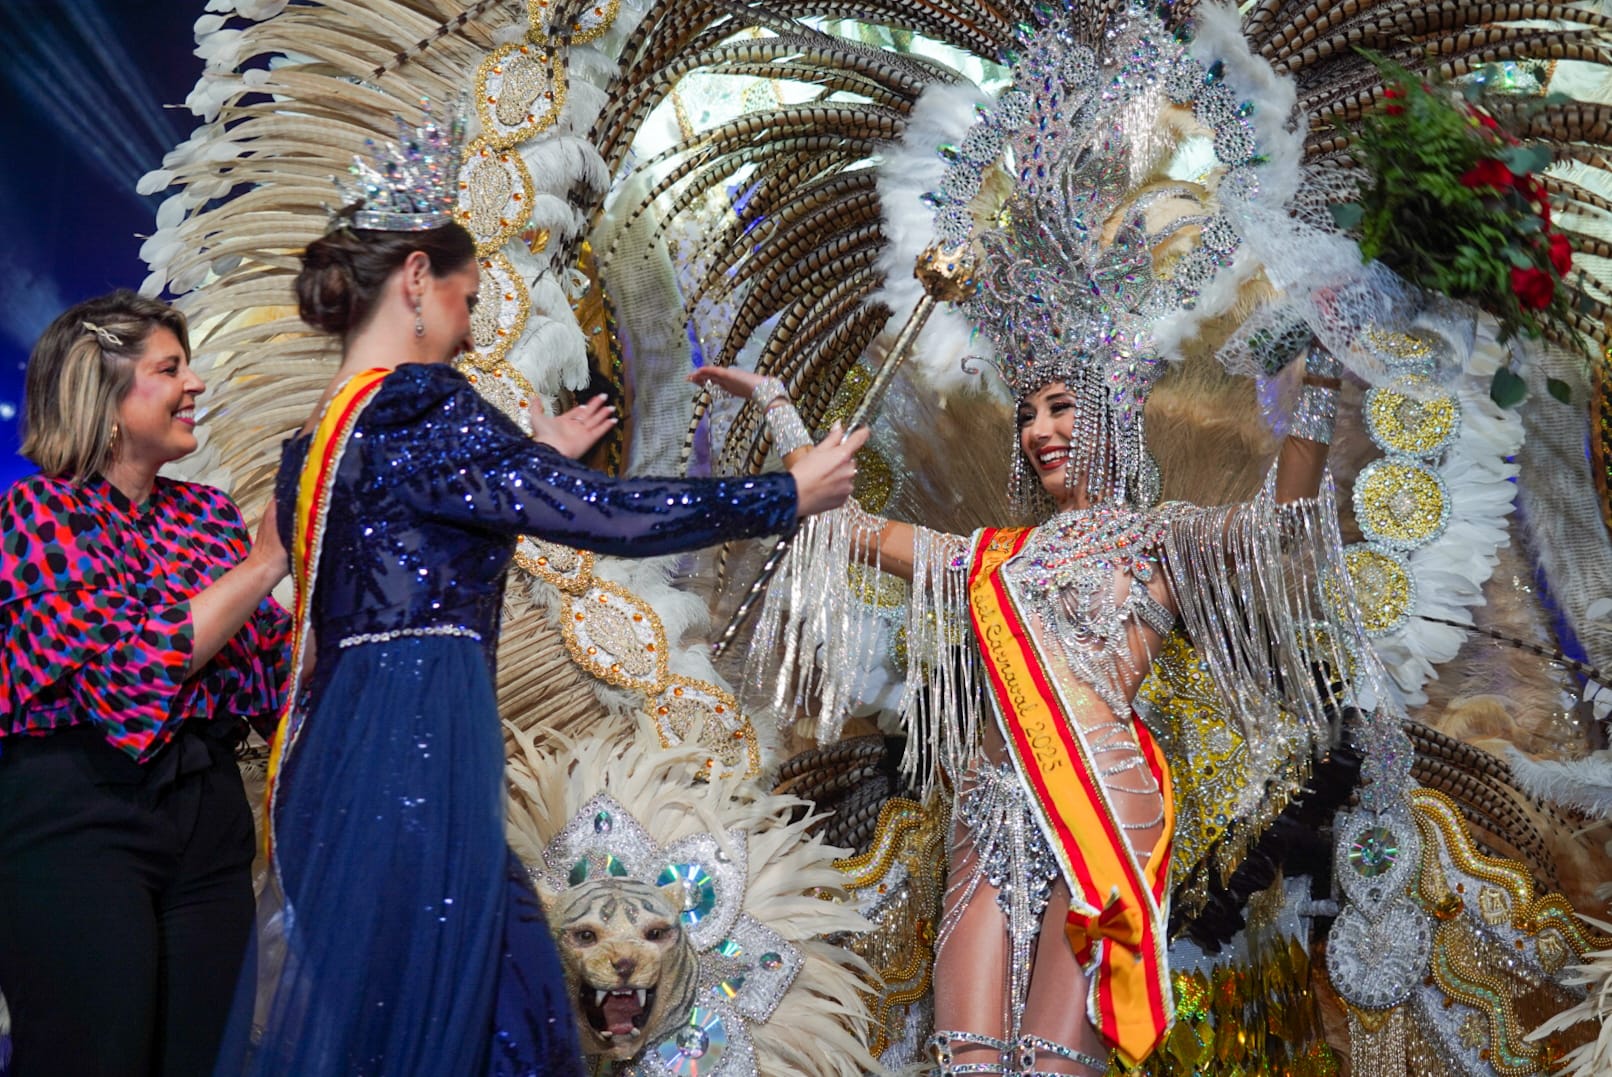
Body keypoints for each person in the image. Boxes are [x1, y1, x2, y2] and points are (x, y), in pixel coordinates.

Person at [226, 127, 867, 1076]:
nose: (474, 325)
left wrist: (526, 471)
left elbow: (414, 549)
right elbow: (604, 516)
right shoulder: (423, 407)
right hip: (418, 757)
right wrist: (783, 493)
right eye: (467, 298)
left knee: (412, 1025)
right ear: (414, 277)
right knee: (502, 1024)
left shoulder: (316, 443)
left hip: (339, 772)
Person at [0, 290, 290, 1076]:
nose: (195, 384)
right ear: (105, 392)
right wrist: (266, 564)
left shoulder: (203, 515)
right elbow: (132, 676)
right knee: (92, 1054)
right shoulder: (36, 514)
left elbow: (268, 672)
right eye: (170, 369)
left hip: (207, 816)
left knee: (203, 1059)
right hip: (78, 818)